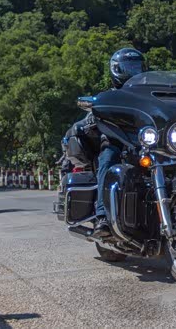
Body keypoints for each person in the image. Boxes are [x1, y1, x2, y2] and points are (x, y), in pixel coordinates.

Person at [63, 48, 147, 238]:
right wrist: (93, 117)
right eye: (127, 68)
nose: (132, 72)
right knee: (108, 158)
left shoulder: (148, 95)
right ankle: (102, 216)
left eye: (136, 67)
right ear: (116, 70)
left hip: (145, 145)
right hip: (116, 143)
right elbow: (94, 111)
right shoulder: (109, 97)